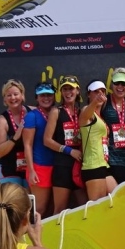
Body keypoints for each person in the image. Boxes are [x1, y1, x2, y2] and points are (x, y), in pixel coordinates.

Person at [43, 75, 86, 215]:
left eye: (71, 89)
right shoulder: (56, 111)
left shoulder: (82, 112)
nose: (68, 92)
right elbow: (47, 140)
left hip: (80, 166)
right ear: (61, 92)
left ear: (78, 90)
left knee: (86, 208)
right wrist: (69, 151)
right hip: (62, 166)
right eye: (65, 89)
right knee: (59, 210)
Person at [79, 80, 117, 201]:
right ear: (88, 94)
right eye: (96, 92)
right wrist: (95, 102)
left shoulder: (101, 116)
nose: (100, 94)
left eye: (102, 92)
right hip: (93, 166)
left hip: (104, 165)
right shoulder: (87, 111)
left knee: (118, 199)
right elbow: (85, 115)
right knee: (97, 207)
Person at [23, 83, 56, 218]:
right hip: (40, 167)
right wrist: (31, 170)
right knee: (39, 210)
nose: (46, 98)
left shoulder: (56, 113)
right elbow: (27, 145)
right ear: (36, 98)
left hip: (56, 166)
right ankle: (29, 232)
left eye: (49, 95)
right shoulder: (32, 116)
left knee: (51, 210)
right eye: (42, 95)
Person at [0, 79, 31, 187]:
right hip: (9, 169)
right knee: (14, 196)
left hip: (30, 167)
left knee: (30, 197)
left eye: (16, 94)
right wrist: (15, 138)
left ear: (22, 95)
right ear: (4, 99)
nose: (13, 98)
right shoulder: (1, 121)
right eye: (9, 95)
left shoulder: (32, 112)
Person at [101, 67, 125, 184]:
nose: (120, 86)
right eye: (117, 83)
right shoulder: (104, 102)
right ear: (111, 84)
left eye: (124, 83)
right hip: (110, 160)